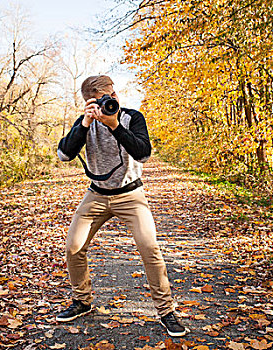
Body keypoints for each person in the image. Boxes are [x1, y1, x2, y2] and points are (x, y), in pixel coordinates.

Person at [55, 75, 188, 337]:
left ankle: (166, 311)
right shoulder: (85, 123)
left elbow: (143, 153)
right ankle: (82, 300)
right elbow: (64, 155)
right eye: (105, 97)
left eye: (113, 95)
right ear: (89, 101)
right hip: (97, 195)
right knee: (73, 246)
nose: (112, 100)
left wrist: (115, 125)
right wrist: (85, 123)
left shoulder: (131, 117)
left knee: (150, 248)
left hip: (131, 194)